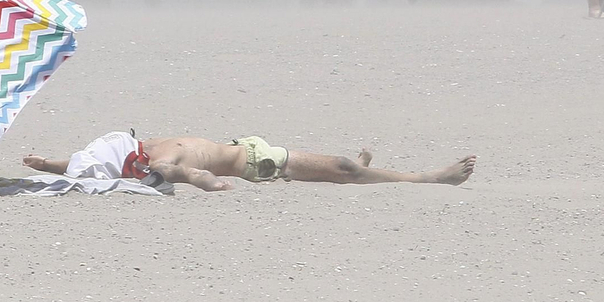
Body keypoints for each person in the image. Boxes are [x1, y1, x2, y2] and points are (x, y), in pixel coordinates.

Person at [24, 131, 475, 192]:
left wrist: (47, 164)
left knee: (344, 167)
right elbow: (178, 172)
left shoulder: (147, 149)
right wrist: (204, 181)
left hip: (246, 144)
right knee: (345, 170)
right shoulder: (160, 158)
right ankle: (431, 178)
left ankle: (364, 166)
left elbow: (84, 164)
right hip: (258, 161)